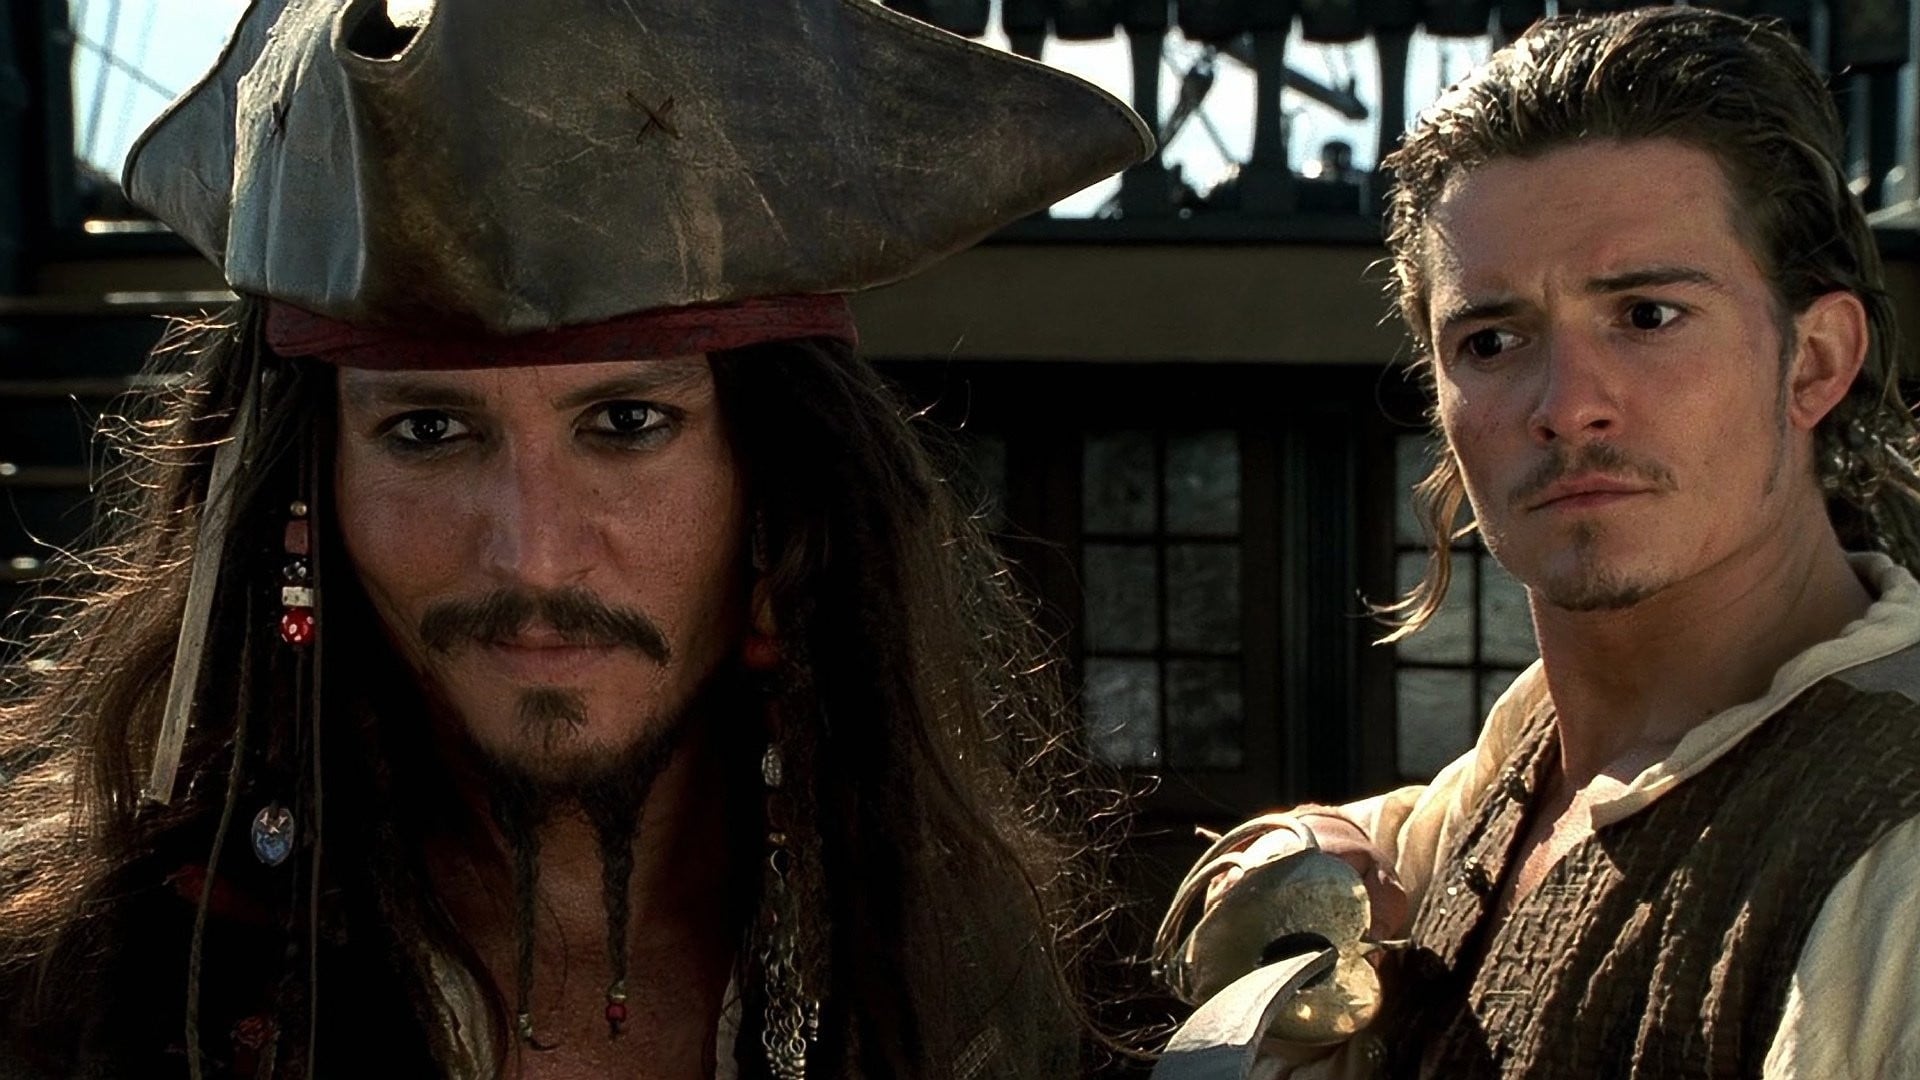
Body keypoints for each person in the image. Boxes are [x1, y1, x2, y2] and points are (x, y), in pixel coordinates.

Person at [0, 2, 1153, 1077]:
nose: (534, 555)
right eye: (429, 430)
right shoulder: (71, 1002)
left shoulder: (972, 999)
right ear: (306, 488)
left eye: (627, 424)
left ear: (779, 479)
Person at [1156, 7, 1920, 1079]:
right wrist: (1301, 851)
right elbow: (1368, 844)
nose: (1565, 407)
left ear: (1814, 361)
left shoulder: (1890, 842)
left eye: (1647, 316)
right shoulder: (1527, 769)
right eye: (1493, 340)